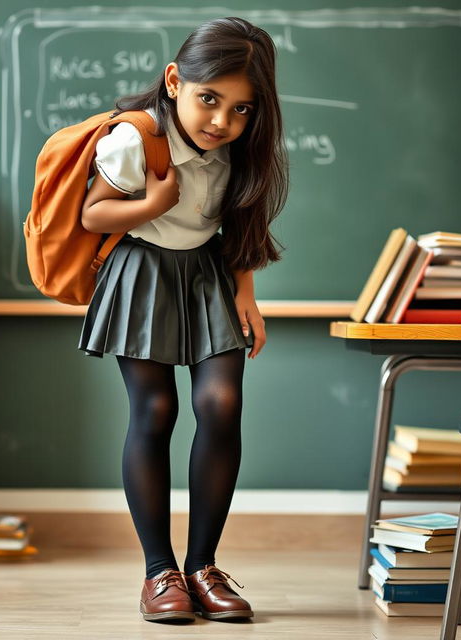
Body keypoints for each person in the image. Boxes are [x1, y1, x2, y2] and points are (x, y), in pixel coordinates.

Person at [78, 16, 288, 623]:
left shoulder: (237, 153)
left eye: (242, 109)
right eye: (209, 99)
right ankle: (158, 572)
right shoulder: (135, 139)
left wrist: (246, 293)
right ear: (175, 81)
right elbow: (94, 215)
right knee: (156, 410)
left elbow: (239, 227)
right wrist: (152, 203)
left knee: (221, 404)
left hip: (208, 276)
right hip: (142, 273)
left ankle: (202, 567)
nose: (222, 121)